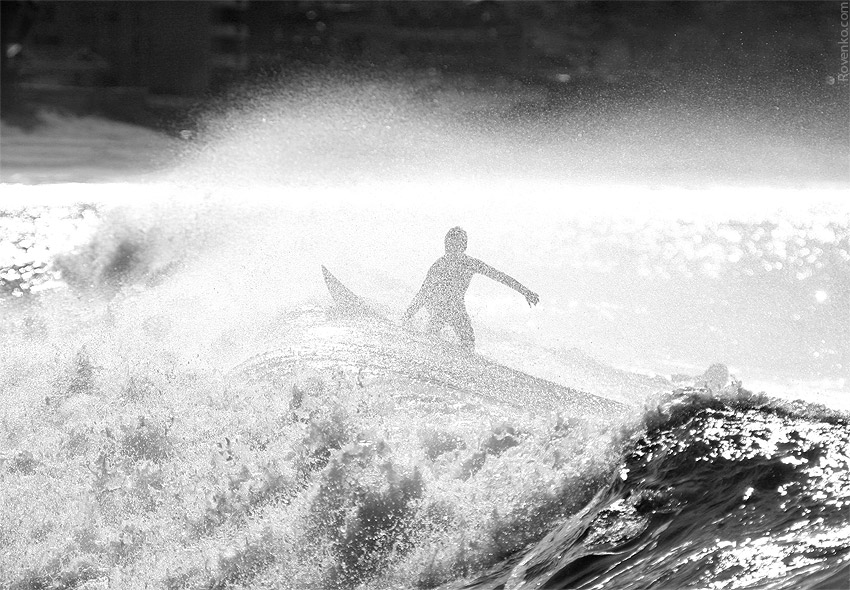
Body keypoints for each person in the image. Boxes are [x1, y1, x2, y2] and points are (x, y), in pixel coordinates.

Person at [404, 227, 539, 352]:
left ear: (464, 247)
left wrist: (525, 291)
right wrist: (407, 315)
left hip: (457, 308)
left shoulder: (470, 264)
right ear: (445, 246)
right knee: (431, 336)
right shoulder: (439, 265)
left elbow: (500, 277)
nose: (452, 250)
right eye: (449, 246)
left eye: (456, 246)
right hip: (438, 307)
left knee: (468, 344)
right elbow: (423, 293)